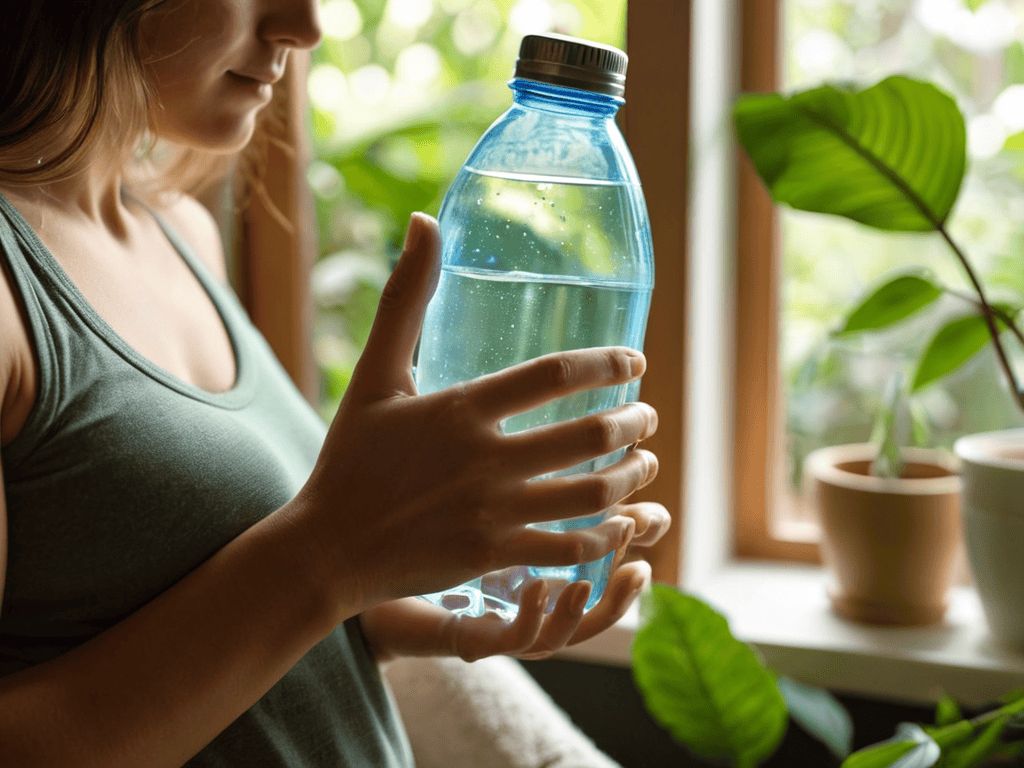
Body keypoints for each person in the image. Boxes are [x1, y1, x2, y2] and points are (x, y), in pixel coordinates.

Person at [0, 1, 670, 766]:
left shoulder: (176, 229)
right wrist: (335, 553)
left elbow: (194, 594)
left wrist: (403, 608)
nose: (305, 26)